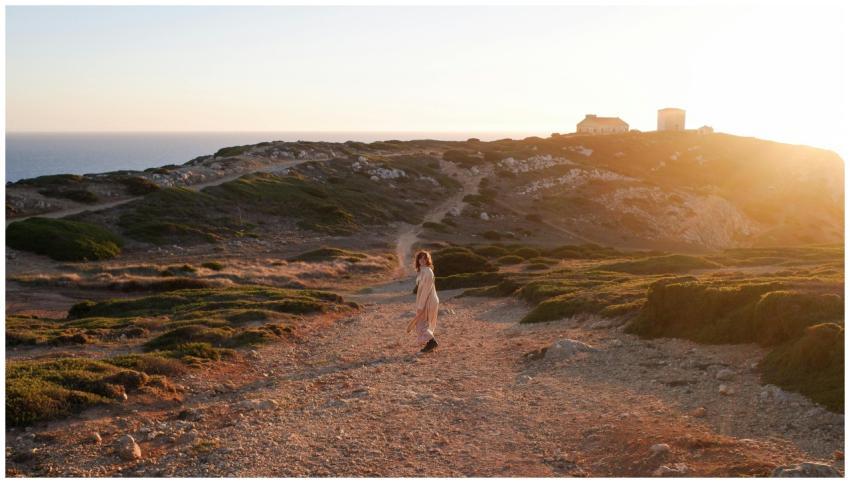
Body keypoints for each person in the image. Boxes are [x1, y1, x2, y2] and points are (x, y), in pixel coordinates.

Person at [411, 250, 439, 353]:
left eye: (424, 258)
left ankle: (432, 342)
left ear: (428, 260)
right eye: (420, 258)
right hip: (428, 299)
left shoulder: (427, 271)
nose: (422, 260)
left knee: (422, 323)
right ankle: (430, 344)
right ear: (418, 259)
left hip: (429, 300)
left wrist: (420, 306)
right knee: (425, 323)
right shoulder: (422, 271)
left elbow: (426, 290)